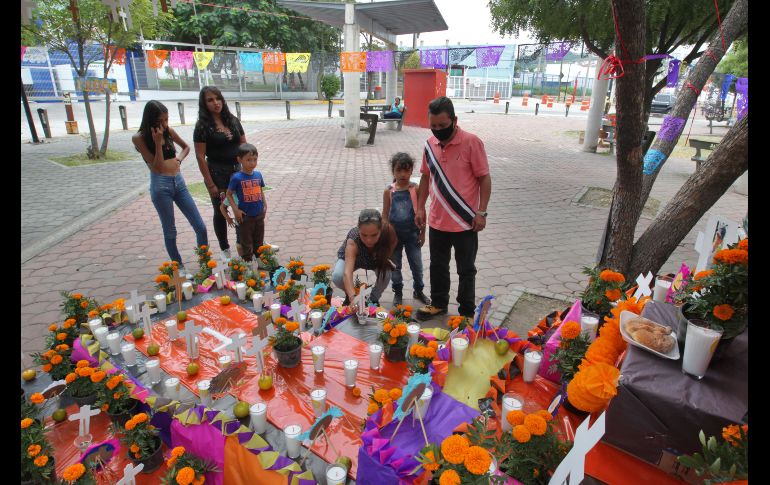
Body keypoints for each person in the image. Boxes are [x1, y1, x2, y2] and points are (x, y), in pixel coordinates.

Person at [415, 96, 492, 320]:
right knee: (438, 266)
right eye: (433, 126)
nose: (438, 130)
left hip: (465, 221)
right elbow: (425, 177)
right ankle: (438, 303)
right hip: (438, 221)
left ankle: (466, 312)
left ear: (454, 120)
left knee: (466, 269)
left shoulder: (472, 142)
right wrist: (420, 208)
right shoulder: (429, 145)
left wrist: (482, 211)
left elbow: (484, 179)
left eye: (442, 125)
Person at [132, 100, 208, 275]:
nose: (165, 124)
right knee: (170, 230)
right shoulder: (139, 138)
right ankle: (178, 266)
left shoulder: (169, 131)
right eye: (161, 121)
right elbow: (157, 166)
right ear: (150, 121)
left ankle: (205, 261)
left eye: (167, 119)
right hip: (161, 186)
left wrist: (179, 159)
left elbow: (186, 147)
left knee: (200, 226)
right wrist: (157, 143)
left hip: (179, 182)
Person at [194, 86, 246, 261]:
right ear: (204, 103)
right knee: (220, 211)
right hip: (217, 173)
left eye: (218, 98)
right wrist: (210, 183)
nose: (216, 103)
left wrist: (247, 171)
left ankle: (243, 245)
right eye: (210, 100)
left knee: (240, 209)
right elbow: (200, 157)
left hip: (237, 173)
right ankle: (225, 249)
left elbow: (244, 146)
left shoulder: (232, 120)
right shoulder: (202, 127)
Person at [382, 152, 430, 307]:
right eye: (399, 171)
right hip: (394, 237)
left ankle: (419, 290)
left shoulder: (415, 189)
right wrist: (385, 235)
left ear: (411, 171)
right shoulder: (389, 191)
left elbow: (422, 212)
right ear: (393, 172)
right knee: (395, 266)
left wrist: (423, 233)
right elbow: (384, 215)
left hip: (412, 235)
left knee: (417, 265)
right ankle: (398, 292)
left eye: (406, 170)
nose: (403, 174)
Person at [332, 209, 397, 312]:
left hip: (375, 259)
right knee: (337, 276)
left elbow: (391, 247)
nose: (369, 240)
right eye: (364, 235)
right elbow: (347, 273)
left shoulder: (388, 232)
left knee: (386, 274)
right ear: (358, 229)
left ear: (381, 230)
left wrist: (383, 257)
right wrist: (353, 297)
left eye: (374, 235)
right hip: (355, 258)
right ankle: (351, 295)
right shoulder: (353, 239)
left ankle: (373, 299)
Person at [225, 143, 266, 264]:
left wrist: (264, 204)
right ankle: (248, 263)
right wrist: (235, 210)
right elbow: (228, 194)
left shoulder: (258, 175)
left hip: (258, 214)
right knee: (246, 241)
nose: (252, 163)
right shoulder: (237, 178)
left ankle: (259, 260)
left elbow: (260, 189)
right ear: (239, 160)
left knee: (259, 239)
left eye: (254, 160)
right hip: (245, 216)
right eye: (248, 160)